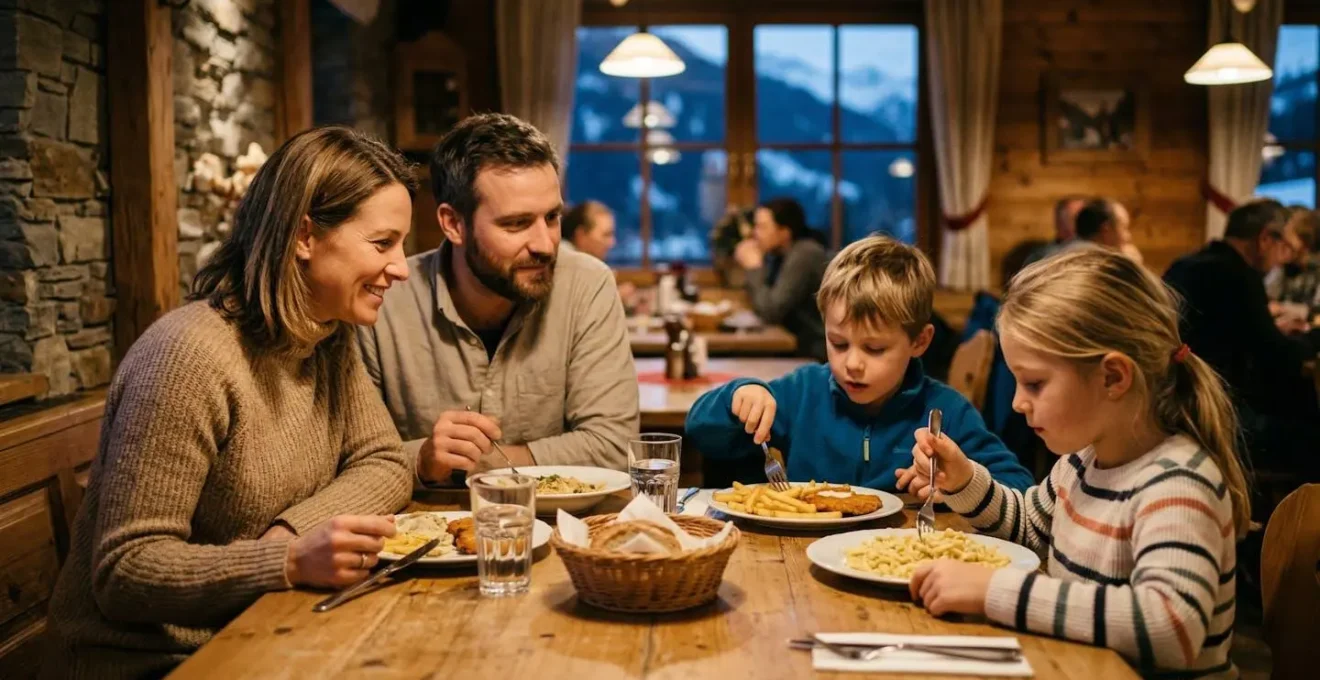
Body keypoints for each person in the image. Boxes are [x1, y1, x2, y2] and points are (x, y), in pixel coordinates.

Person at [42, 127, 416, 678]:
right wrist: (284, 561)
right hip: (148, 661)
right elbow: (125, 571)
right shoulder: (187, 356)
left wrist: (292, 533)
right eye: (383, 244)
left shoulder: (326, 335)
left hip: (261, 630)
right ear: (305, 236)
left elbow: (384, 460)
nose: (403, 267)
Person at [898, 247, 1248, 677]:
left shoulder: (1177, 483)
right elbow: (1029, 526)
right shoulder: (1083, 462)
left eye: (1034, 383)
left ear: (1113, 377)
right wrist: (964, 479)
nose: (1017, 402)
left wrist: (995, 590)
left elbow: (1170, 628)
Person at [357, 113, 639, 487]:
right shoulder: (385, 299)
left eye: (552, 217)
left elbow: (615, 448)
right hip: (422, 536)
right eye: (516, 224)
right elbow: (352, 457)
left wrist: (481, 464)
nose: (544, 244)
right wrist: (423, 460)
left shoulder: (587, 284)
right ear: (453, 224)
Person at [686, 236, 1033, 492]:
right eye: (838, 343)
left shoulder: (944, 412)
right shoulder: (804, 391)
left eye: (875, 349)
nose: (852, 363)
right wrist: (739, 396)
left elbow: (1018, 485)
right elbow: (701, 432)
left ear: (919, 341)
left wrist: (960, 484)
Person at [1163, 199, 1320, 484]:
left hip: (1172, 407)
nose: (1283, 255)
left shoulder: (1185, 264)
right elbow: (1280, 357)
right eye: (1282, 243)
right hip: (1220, 417)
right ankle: (1295, 522)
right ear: (1264, 239)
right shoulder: (1239, 277)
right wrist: (1315, 336)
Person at [733, 197, 829, 361]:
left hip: (817, 353)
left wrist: (754, 267)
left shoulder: (804, 254)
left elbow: (770, 312)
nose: (754, 233)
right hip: (799, 347)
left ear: (784, 232)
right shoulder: (778, 256)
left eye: (762, 227)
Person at [1266, 207, 1320, 320]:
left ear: (1306, 249)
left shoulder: (1315, 270)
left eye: (1290, 247)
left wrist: (1284, 308)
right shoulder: (1280, 266)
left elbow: (1316, 310)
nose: (1283, 249)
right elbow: (1268, 297)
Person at [1021, 195, 1086, 268]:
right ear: (1061, 222)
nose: (1085, 222)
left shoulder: (1094, 251)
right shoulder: (1043, 258)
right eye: (1079, 218)